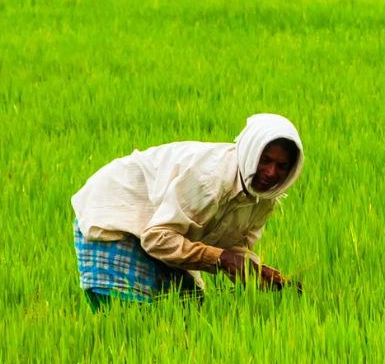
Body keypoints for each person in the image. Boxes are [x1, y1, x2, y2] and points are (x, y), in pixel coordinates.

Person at [71, 114, 303, 306]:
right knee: (128, 317)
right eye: (265, 160)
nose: (271, 173)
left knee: (189, 308)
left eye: (282, 166)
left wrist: (261, 273)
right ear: (252, 152)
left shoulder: (263, 198)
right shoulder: (209, 180)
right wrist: (222, 259)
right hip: (116, 214)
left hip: (160, 228)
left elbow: (232, 246)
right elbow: (156, 238)